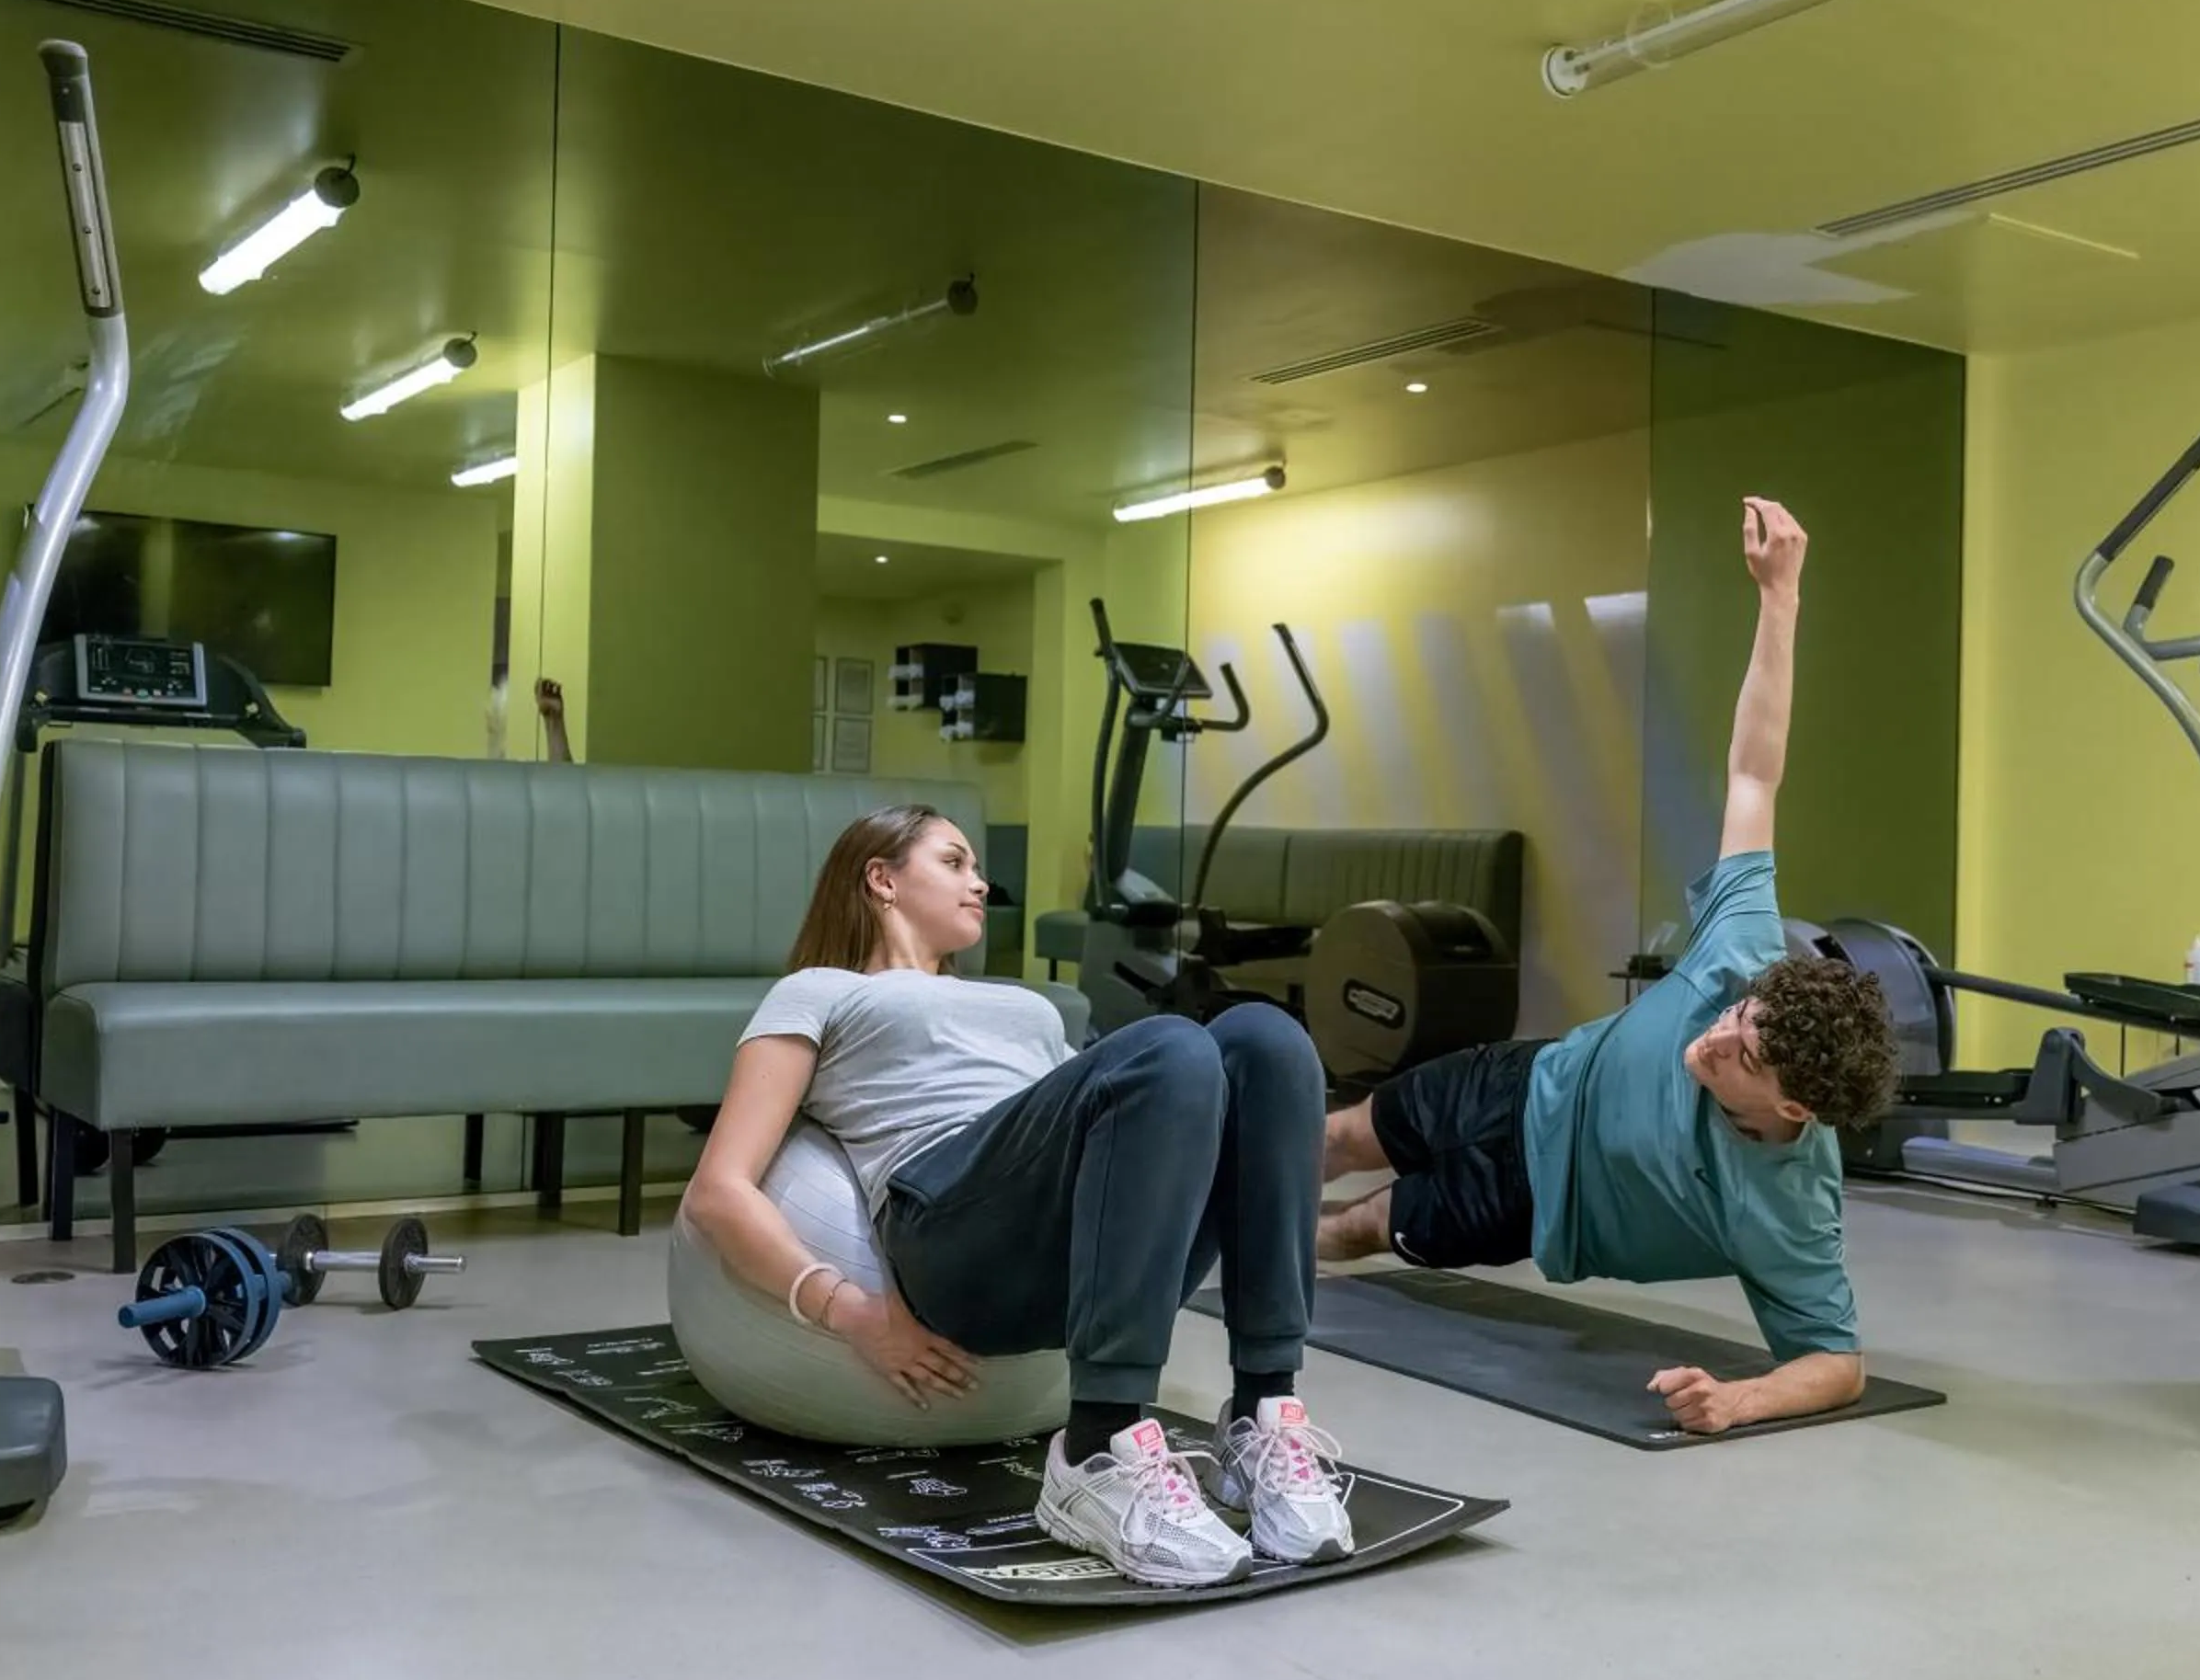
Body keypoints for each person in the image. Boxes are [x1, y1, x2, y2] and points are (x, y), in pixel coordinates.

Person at [1318, 497, 1904, 1435]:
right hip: (1533, 1075)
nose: (1713, 1037)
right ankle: (1202, 1192)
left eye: (1739, 1055)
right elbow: (1757, 771)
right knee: (1342, 1134)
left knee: (1356, 1227)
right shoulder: (1745, 955)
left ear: (1793, 1108)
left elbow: (1838, 1362)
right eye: (1733, 1019)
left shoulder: (1788, 1207)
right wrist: (1781, 598)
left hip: (1536, 1201)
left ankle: (1260, 1246)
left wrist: (1739, 1397)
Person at [680, 805, 1350, 1588]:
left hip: (1074, 1246)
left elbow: (1129, 1123)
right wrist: (852, 1312)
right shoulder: (817, 992)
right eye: (955, 862)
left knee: (1268, 1040)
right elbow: (717, 1190)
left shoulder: (1020, 1004)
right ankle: (1098, 1446)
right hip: (952, 1228)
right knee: (1169, 1046)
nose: (980, 883)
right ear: (882, 879)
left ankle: (1263, 1411)